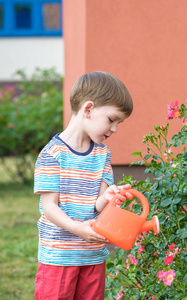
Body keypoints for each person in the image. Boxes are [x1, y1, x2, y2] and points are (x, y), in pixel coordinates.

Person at [33, 71, 133, 299]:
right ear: (88, 109)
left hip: (92, 254)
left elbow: (98, 205)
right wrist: (77, 229)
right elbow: (49, 208)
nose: (115, 129)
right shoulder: (53, 154)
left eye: (119, 123)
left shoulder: (102, 154)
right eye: (111, 120)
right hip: (59, 256)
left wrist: (109, 196)